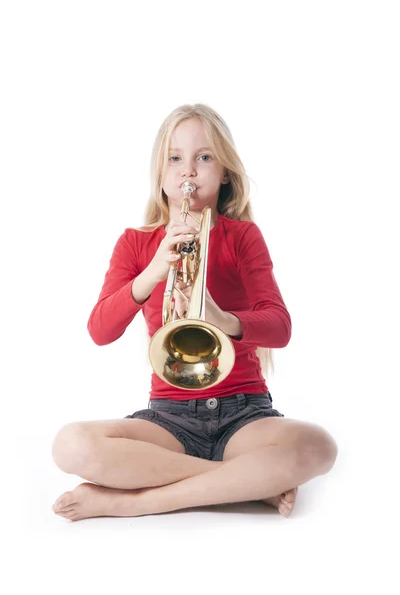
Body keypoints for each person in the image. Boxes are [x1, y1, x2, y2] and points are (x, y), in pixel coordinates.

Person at [51, 103, 338, 522]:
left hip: (245, 412)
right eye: (175, 158)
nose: (188, 171)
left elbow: (280, 327)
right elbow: (99, 330)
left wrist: (221, 320)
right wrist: (153, 272)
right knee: (70, 445)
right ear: (161, 174)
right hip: (169, 416)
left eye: (204, 157)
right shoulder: (135, 243)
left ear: (225, 173)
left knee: (319, 446)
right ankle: (245, 484)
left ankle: (132, 502)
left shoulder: (243, 237)